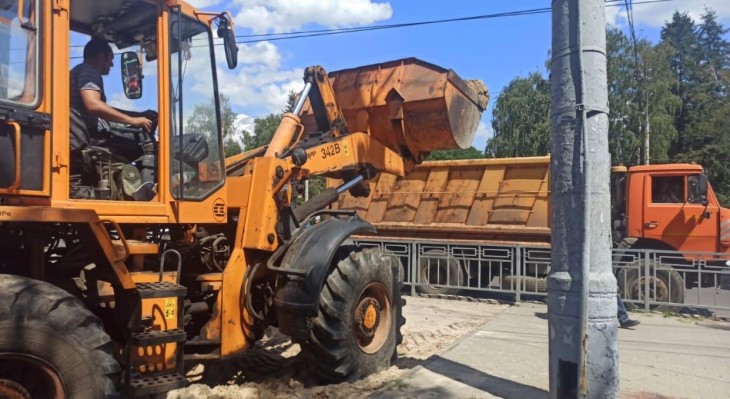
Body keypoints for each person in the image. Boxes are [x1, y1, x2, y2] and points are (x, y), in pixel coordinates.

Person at [70, 38, 156, 162]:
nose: (112, 64)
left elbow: (102, 108)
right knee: (146, 145)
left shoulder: (79, 70)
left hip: (91, 136)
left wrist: (138, 115)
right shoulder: (88, 71)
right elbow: (93, 105)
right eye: (110, 59)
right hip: (95, 139)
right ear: (101, 57)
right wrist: (132, 120)